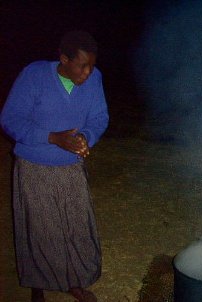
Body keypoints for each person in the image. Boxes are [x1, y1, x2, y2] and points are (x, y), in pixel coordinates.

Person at [0, 30, 109, 302]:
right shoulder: (34, 75)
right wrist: (51, 138)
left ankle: (74, 282)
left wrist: (86, 137)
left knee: (75, 226)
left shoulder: (94, 80)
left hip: (70, 166)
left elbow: (99, 117)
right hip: (35, 166)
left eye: (92, 65)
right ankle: (38, 287)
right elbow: (10, 118)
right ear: (64, 59)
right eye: (82, 66)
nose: (87, 73)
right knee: (40, 229)